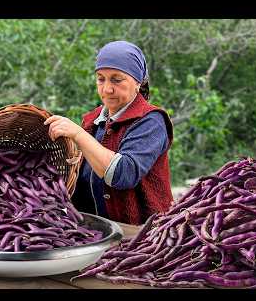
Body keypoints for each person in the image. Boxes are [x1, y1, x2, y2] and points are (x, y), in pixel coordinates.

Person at [44, 40, 173, 225]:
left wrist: (79, 135)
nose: (107, 89)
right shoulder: (92, 120)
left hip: (141, 236)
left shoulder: (151, 121)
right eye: (101, 78)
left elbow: (123, 175)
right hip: (95, 232)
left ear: (138, 82)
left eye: (117, 79)